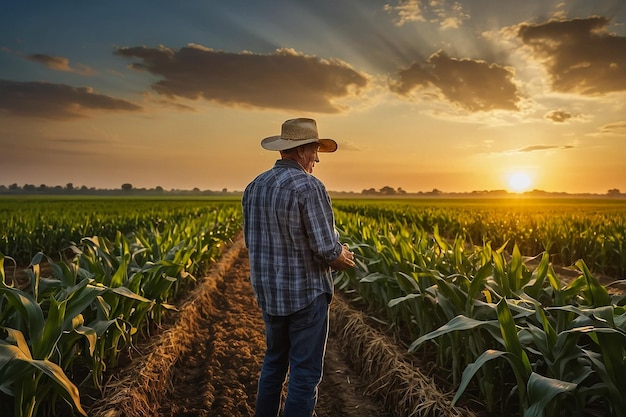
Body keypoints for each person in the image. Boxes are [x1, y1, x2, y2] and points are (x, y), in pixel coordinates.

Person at [242, 117, 355, 417]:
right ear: (302, 150)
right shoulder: (309, 187)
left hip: (269, 295)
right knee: (304, 374)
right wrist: (342, 256)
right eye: (315, 150)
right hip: (306, 296)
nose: (317, 158)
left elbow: (252, 241)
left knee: (274, 363)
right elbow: (325, 249)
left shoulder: (254, 187)